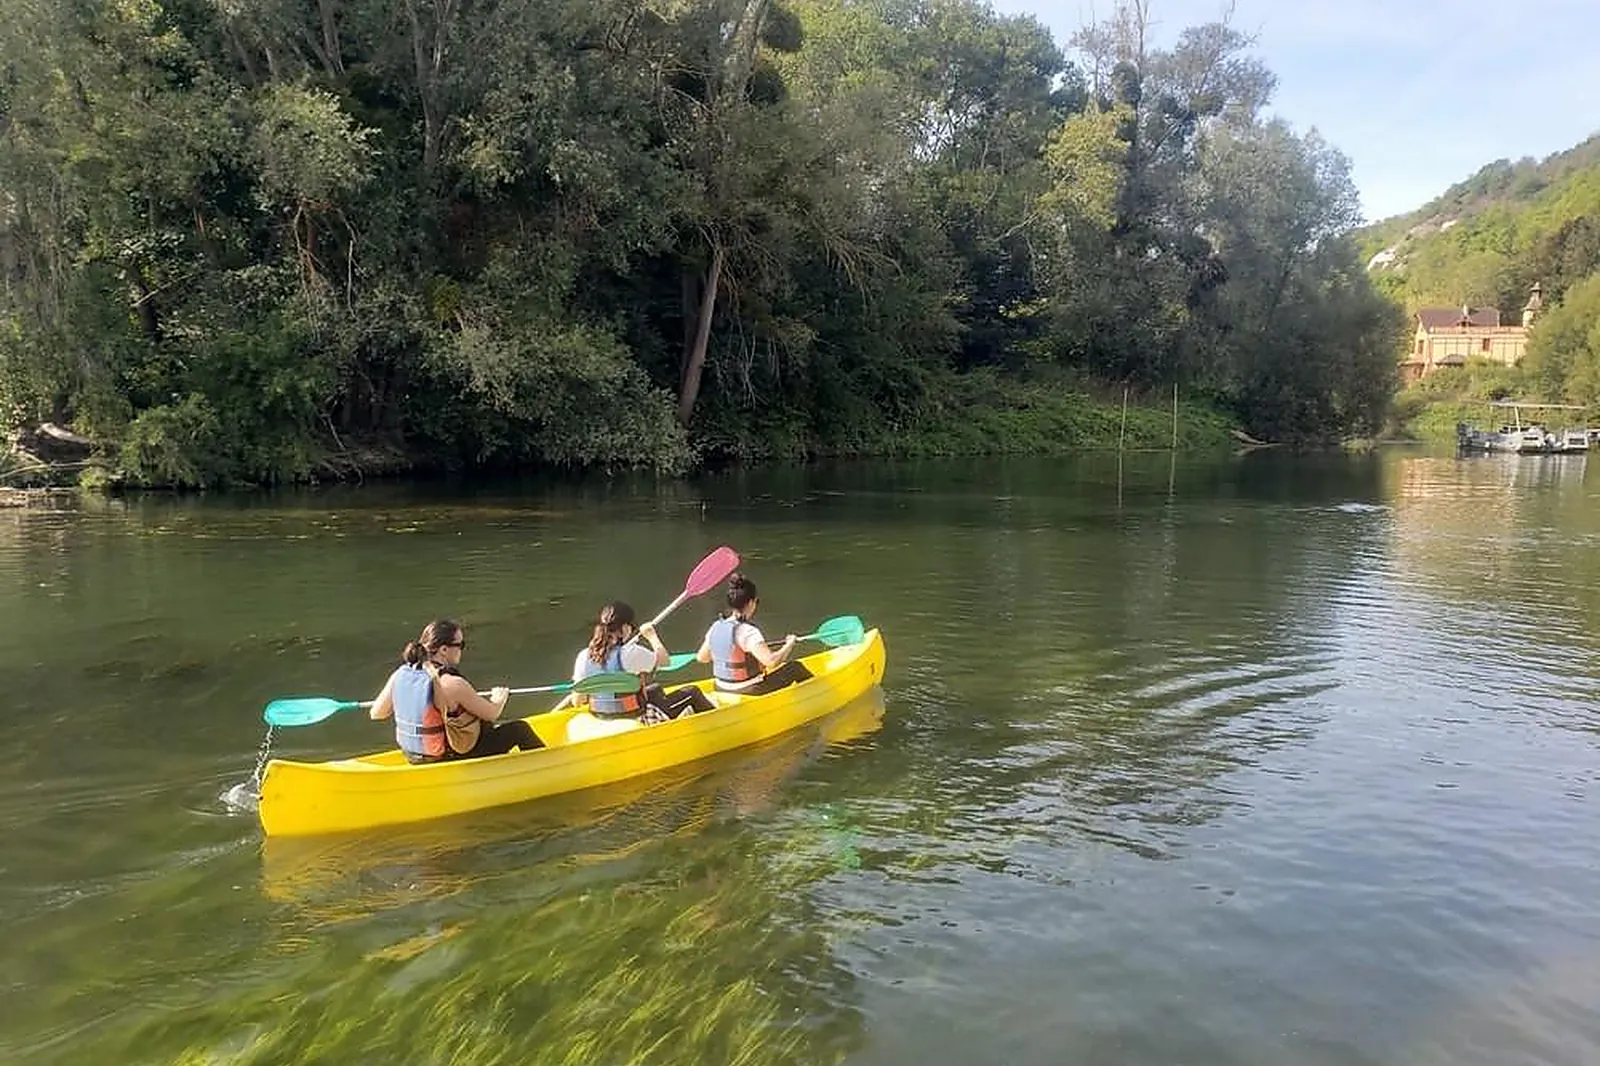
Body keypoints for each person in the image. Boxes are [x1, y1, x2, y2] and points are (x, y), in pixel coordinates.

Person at [369, 619, 542, 763]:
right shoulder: (452, 684)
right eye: (460, 645)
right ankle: (544, 769)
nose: (461, 650)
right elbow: (491, 713)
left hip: (413, 756)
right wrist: (499, 698)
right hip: (447, 756)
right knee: (519, 729)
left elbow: (377, 713)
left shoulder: (400, 675)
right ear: (444, 650)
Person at [573, 601, 714, 724]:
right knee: (692, 692)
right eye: (631, 627)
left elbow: (577, 701)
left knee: (655, 689)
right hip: (634, 717)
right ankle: (718, 723)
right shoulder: (631, 653)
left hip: (599, 715)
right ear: (625, 628)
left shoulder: (583, 656)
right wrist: (652, 636)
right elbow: (665, 661)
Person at [696, 573, 813, 697]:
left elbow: (702, 658)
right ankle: (816, 698)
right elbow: (771, 662)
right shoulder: (748, 631)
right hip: (749, 690)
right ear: (751, 602)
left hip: (720, 687)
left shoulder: (715, 627)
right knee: (795, 668)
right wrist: (789, 644)